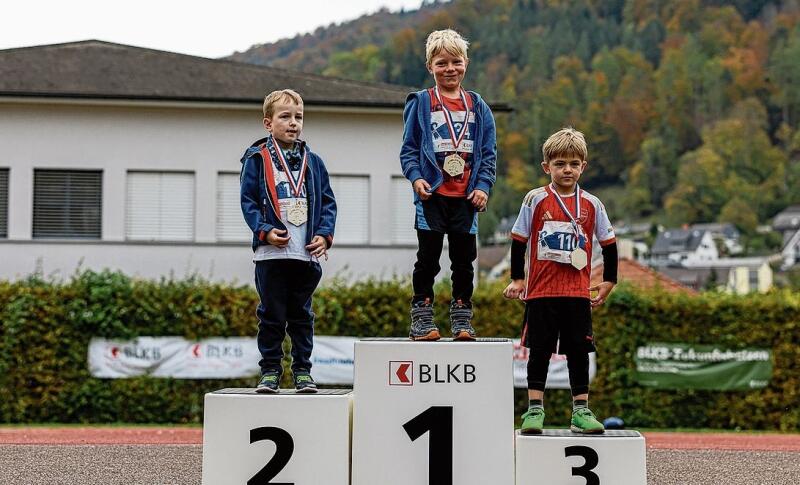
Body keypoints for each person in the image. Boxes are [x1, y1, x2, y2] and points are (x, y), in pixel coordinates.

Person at [503, 127, 617, 434]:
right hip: (540, 291)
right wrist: (517, 279)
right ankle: (534, 411)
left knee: (578, 352)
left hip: (577, 292)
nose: (567, 169)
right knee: (539, 350)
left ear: (583, 166)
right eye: (560, 163)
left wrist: (609, 281)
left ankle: (580, 410)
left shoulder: (592, 203)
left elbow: (609, 243)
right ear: (546, 167)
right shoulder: (535, 199)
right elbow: (518, 240)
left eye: (573, 164)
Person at [400, 29, 497, 341]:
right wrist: (416, 178)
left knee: (464, 262)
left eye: (456, 61)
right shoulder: (422, 103)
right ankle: (422, 316)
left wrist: (482, 186)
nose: (450, 69)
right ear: (430, 66)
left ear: (466, 63)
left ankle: (462, 316)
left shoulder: (478, 106)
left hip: (466, 199)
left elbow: (488, 153)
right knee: (427, 259)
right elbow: (409, 150)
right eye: (442, 63)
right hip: (432, 196)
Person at [240, 89, 337, 393]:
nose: (293, 123)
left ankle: (303, 372)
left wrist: (323, 235)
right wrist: (264, 230)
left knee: (302, 316)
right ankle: (270, 371)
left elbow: (328, 203)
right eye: (285, 117)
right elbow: (249, 202)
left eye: (298, 117)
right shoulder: (257, 159)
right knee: (271, 316)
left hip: (304, 256)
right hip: (271, 255)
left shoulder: (315, 162)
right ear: (268, 123)